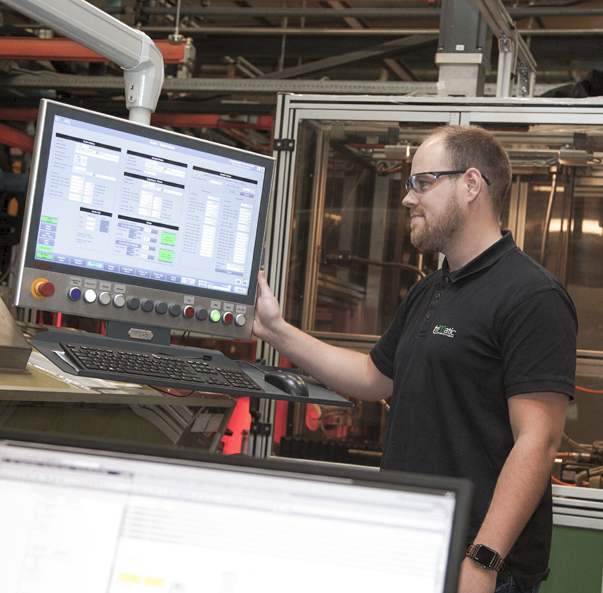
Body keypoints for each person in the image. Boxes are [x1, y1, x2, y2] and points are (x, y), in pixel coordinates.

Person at [253, 125, 577, 593]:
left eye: (422, 183)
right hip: (411, 548)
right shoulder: (430, 289)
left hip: (474, 564)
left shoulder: (532, 296)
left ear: (471, 184)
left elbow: (538, 442)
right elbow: (373, 376)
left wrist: (482, 561)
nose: (408, 199)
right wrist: (274, 330)